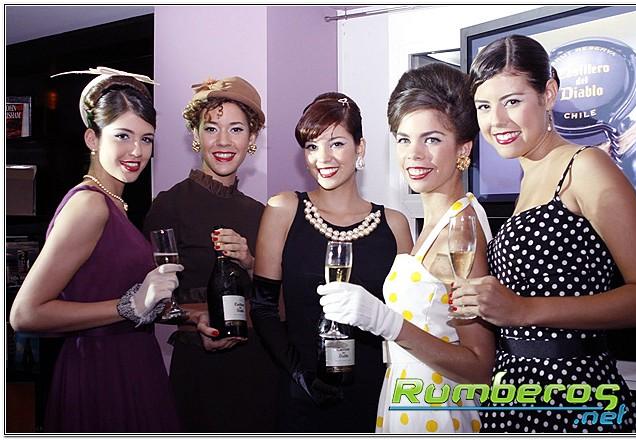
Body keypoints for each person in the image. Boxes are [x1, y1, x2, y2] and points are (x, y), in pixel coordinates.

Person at [454, 34, 636, 433]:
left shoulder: (585, 166)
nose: (496, 121)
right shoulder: (528, 180)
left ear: (549, 94)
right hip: (516, 394)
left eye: (512, 101)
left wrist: (523, 310)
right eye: (484, 106)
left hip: (575, 394)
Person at [317, 63, 496, 433]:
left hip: (437, 412)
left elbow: (480, 367)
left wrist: (385, 322)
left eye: (431, 139)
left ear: (463, 147)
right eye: (403, 139)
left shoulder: (460, 231)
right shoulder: (436, 222)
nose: (414, 154)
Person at [9, 68, 183, 432]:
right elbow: (25, 314)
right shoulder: (89, 205)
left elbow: (106, 291)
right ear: (93, 138)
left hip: (132, 361)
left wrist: (184, 315)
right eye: (122, 136)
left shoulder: (115, 204)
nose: (137, 151)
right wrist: (129, 306)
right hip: (101, 370)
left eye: (147, 139)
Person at [250, 92, 414, 433]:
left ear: (360, 148)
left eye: (336, 143)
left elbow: (406, 320)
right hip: (302, 394)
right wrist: (300, 375)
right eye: (312, 146)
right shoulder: (283, 209)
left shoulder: (395, 225)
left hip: (375, 391)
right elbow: (263, 308)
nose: (322, 158)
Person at [142, 76, 279, 432]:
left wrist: (250, 263)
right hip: (200, 369)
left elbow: (279, 303)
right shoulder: (169, 205)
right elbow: (146, 302)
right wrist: (195, 320)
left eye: (236, 129)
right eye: (211, 128)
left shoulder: (262, 213)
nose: (223, 142)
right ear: (196, 134)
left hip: (259, 367)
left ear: (252, 138)